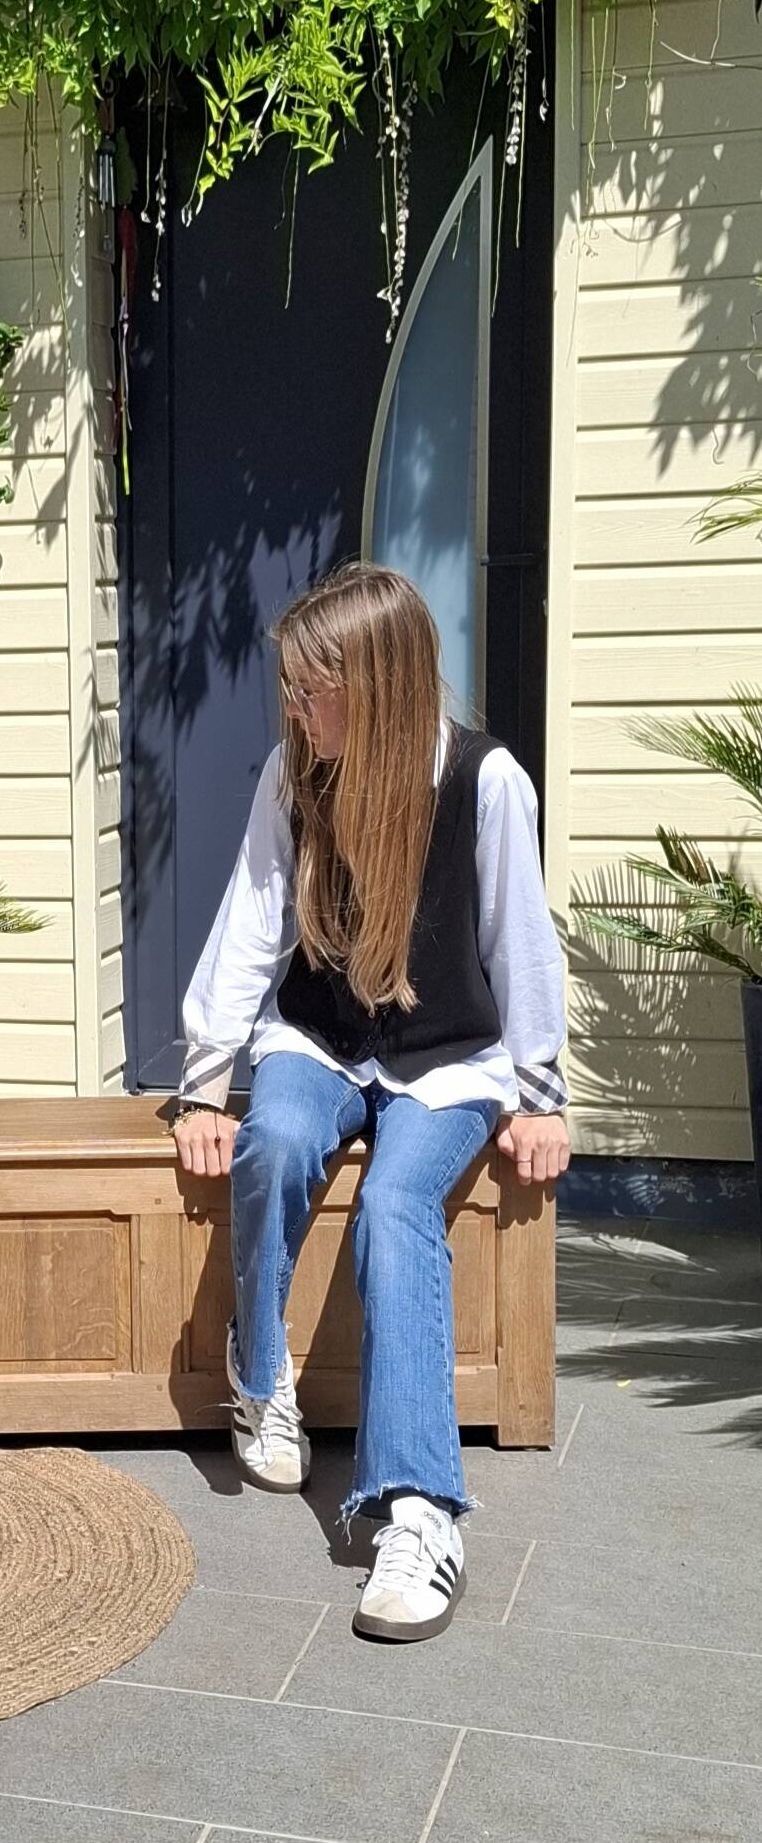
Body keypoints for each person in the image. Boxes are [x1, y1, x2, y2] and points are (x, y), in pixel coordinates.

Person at [172, 564, 568, 1643]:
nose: (296, 711)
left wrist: (541, 1094)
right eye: (291, 690)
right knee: (276, 1141)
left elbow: (518, 943)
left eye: (314, 690)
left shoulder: (486, 782)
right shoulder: (294, 774)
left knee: (397, 1209)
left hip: (448, 1062)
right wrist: (205, 1083)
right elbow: (251, 921)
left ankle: (420, 1513)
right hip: (319, 1036)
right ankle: (262, 1381)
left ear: (381, 685)